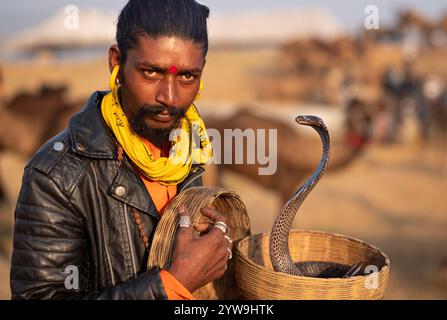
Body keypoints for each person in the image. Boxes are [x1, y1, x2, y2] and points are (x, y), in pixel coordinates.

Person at [10, 0, 233, 300]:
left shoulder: (189, 152)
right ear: (116, 62)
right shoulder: (58, 176)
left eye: (186, 76)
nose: (169, 96)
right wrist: (171, 285)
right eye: (151, 73)